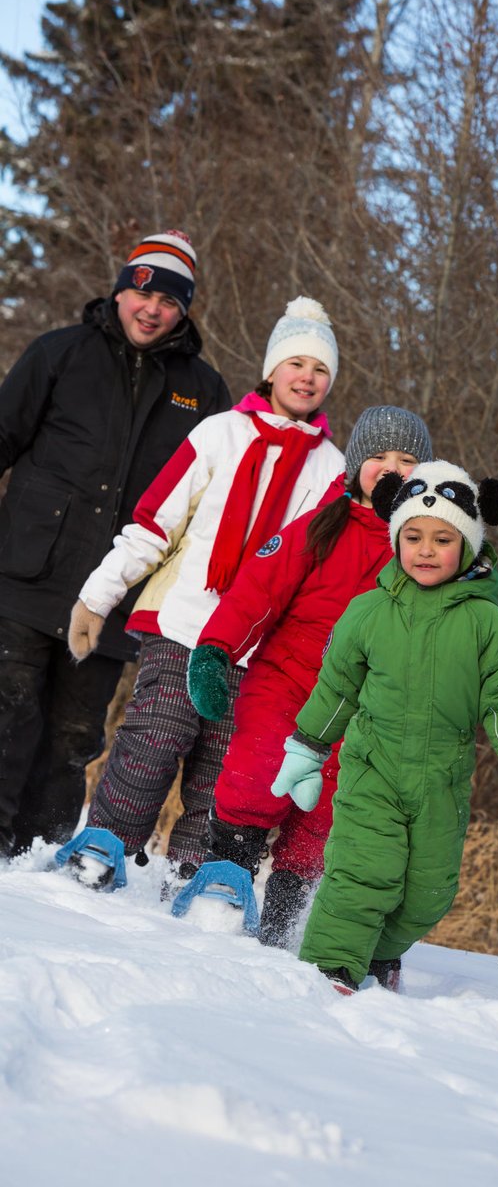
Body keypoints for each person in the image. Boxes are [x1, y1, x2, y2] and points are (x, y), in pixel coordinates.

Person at [65, 297, 344, 878]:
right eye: (297, 364)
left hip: (257, 646)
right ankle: (102, 849)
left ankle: (194, 876)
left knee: (225, 763)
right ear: (272, 370)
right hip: (185, 619)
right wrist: (100, 592)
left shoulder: (332, 471)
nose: (307, 377)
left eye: (320, 370)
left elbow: (317, 574)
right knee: (155, 737)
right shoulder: (220, 433)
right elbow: (155, 522)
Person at [269, 459, 498, 994]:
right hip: (371, 772)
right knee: (363, 875)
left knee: (430, 893)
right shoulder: (367, 613)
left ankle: (376, 954)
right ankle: (328, 970)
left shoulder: (490, 628)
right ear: (396, 537)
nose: (426, 550)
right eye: (414, 536)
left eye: (443, 538)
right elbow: (334, 692)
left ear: (468, 546)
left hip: (441, 783)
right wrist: (307, 750)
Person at [0, 230, 231, 856]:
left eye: (169, 301)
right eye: (142, 292)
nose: (151, 309)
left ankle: (39, 858)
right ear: (122, 290)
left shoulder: (204, 392)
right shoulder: (60, 353)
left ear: (183, 310)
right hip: (23, 576)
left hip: (113, 599)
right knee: (7, 717)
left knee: (74, 738)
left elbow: (213, 502)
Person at [186, 405, 433, 947]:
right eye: (379, 457)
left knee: (331, 807)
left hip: (362, 705)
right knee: (261, 768)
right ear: (354, 466)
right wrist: (216, 649)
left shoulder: (426, 549)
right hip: (287, 681)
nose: (392, 469)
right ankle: (227, 875)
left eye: (408, 459)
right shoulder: (322, 527)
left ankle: (289, 915)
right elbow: (258, 590)